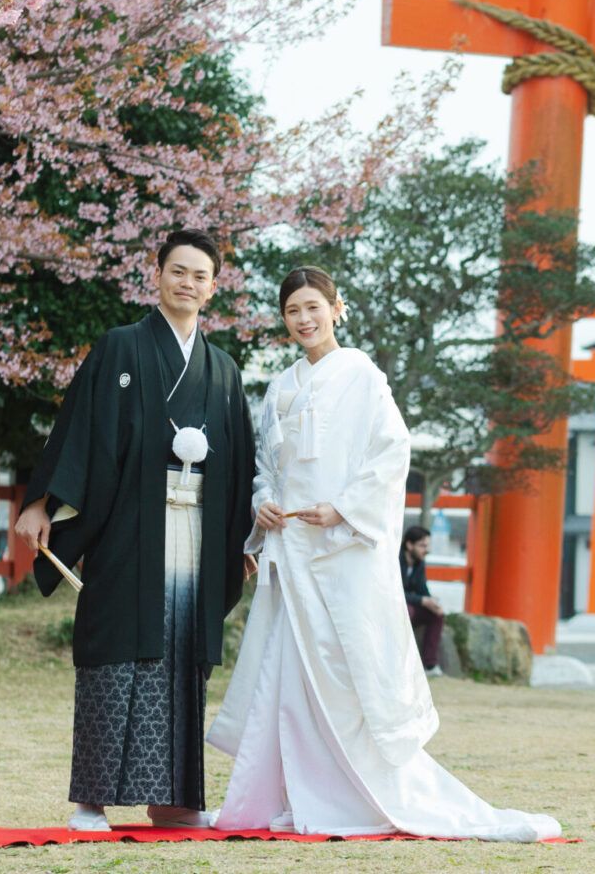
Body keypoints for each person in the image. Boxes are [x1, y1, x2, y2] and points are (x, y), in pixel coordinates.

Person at [207, 265, 560, 842]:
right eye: (293, 310)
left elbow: (391, 454)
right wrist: (265, 503)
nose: (304, 320)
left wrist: (344, 508)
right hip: (292, 548)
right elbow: (265, 465)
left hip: (343, 549)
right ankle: (292, 795)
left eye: (313, 307)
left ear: (336, 307)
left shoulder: (363, 375)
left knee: (349, 668)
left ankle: (354, 795)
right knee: (288, 673)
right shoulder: (280, 386)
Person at [11, 230, 256, 831]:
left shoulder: (222, 370)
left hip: (197, 531)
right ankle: (89, 801)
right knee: (114, 647)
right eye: (178, 271)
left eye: (200, 276)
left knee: (182, 656)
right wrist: (42, 501)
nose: (188, 283)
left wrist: (244, 539)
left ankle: (174, 800)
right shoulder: (120, 348)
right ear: (158, 275)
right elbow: (79, 431)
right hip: (129, 526)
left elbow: (246, 461)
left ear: (214, 287)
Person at [400, 525, 445, 676]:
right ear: (409, 545)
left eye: (427, 545)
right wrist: (422, 600)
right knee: (407, 611)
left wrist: (431, 602)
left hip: (410, 605)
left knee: (436, 614)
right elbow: (393, 592)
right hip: (393, 607)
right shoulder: (395, 561)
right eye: (422, 545)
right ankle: (400, 663)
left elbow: (422, 589)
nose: (427, 549)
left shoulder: (420, 563)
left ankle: (430, 665)